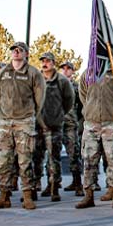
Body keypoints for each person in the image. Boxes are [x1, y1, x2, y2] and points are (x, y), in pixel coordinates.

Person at [0, 42, 45, 210]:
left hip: (24, 121)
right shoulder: (3, 73)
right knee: (4, 161)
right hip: (5, 122)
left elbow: (39, 99)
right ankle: (4, 196)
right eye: (14, 50)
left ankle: (27, 195)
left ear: (26, 54)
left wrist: (29, 115)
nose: (16, 52)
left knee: (25, 160)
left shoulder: (33, 73)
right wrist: (5, 113)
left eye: (20, 50)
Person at [77, 57, 113, 210]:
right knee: (89, 160)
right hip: (92, 123)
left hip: (112, 123)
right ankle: (88, 195)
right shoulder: (88, 73)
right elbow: (83, 96)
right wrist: (91, 111)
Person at [36, 51, 73, 202]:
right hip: (37, 124)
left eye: (48, 61)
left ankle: (54, 187)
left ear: (53, 63)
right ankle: (34, 185)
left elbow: (69, 101)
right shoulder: (36, 78)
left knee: (54, 158)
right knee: (35, 157)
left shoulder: (62, 81)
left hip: (54, 125)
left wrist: (58, 114)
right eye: (43, 61)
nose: (45, 63)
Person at [60, 60, 85, 195]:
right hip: (56, 123)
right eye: (63, 68)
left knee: (73, 153)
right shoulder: (56, 84)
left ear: (72, 71)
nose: (65, 71)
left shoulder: (76, 87)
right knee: (52, 154)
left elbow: (82, 106)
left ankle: (77, 182)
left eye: (68, 69)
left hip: (70, 124)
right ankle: (53, 183)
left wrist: (78, 122)